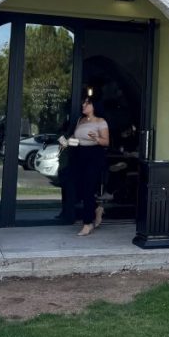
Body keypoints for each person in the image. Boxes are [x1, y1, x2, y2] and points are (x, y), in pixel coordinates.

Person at [64, 96, 109, 236]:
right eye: (83, 103)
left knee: (88, 188)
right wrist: (66, 143)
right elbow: (77, 141)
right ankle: (97, 209)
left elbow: (106, 142)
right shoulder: (80, 120)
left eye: (87, 103)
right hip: (79, 155)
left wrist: (96, 138)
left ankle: (87, 224)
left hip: (94, 155)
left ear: (94, 106)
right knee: (79, 187)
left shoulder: (100, 122)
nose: (83, 105)